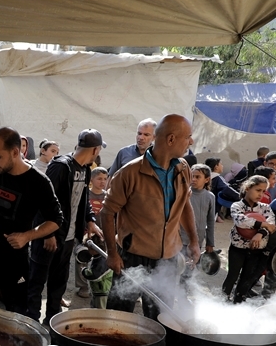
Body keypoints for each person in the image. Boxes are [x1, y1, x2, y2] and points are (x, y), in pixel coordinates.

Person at [100, 115, 200, 320]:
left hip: (168, 258)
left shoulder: (183, 169)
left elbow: (184, 206)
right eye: (187, 137)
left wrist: (194, 241)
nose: (191, 142)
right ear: (171, 139)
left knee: (160, 316)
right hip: (132, 255)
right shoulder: (129, 173)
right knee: (119, 314)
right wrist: (112, 253)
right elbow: (107, 212)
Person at [0, 127, 63, 313]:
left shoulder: (39, 182)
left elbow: (56, 219)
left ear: (15, 152)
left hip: (14, 259)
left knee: (15, 313)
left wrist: (27, 236)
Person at [27, 129, 101, 322]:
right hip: (49, 237)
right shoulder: (61, 166)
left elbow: (83, 200)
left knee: (58, 283)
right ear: (95, 150)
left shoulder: (85, 169)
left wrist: (90, 220)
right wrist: (47, 234)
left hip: (67, 238)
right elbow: (42, 200)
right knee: (37, 281)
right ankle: (32, 322)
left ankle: (52, 320)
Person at [222, 175, 276, 303]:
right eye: (258, 190)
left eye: (263, 191)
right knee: (232, 275)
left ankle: (238, 302)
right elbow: (240, 221)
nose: (261, 194)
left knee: (247, 278)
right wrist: (262, 224)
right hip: (238, 249)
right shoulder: (237, 206)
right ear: (247, 188)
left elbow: (272, 224)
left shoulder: (265, 208)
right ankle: (222, 301)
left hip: (256, 249)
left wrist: (259, 234)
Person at [75, 166, 109, 300]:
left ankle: (99, 283)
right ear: (91, 179)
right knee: (82, 258)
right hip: (85, 234)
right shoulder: (86, 195)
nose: (102, 181)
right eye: (99, 178)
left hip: (103, 235)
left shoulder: (108, 196)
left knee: (101, 259)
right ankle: (83, 287)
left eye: (105, 179)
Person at [183, 164, 216, 265]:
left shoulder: (210, 197)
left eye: (197, 177)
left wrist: (210, 242)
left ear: (206, 180)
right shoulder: (183, 193)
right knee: (178, 267)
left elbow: (210, 221)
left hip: (198, 240)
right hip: (181, 239)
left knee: (191, 270)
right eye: (192, 176)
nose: (193, 179)